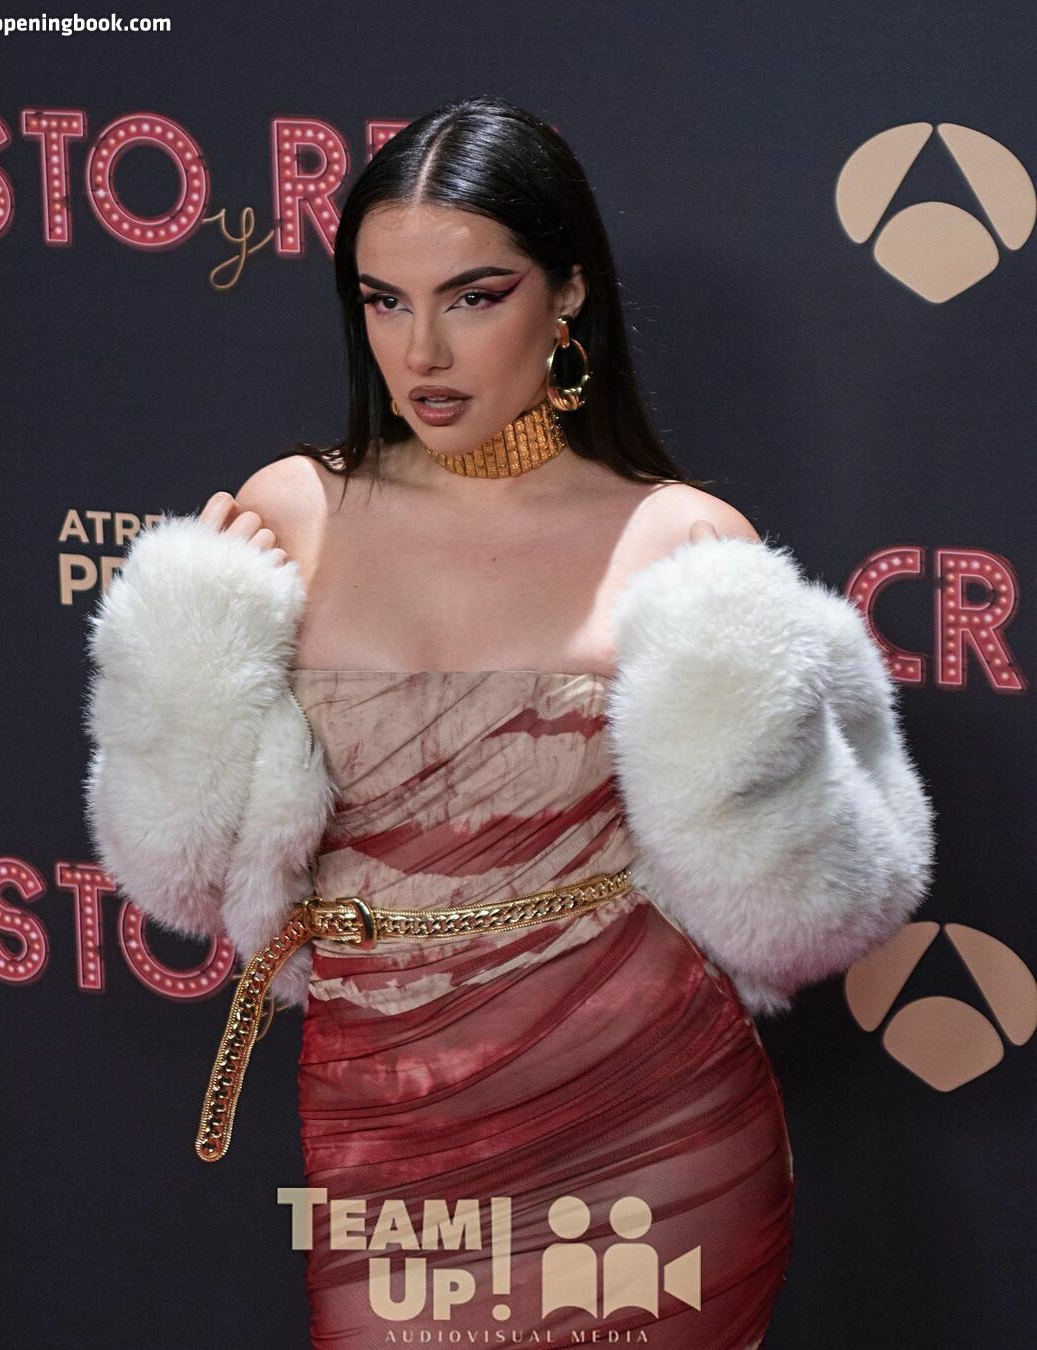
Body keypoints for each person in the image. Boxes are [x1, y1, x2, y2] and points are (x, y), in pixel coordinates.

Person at [82, 97, 936, 1348]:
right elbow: (186, 876)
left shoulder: (678, 540)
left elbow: (813, 912)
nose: (422, 350)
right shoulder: (292, 513)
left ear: (568, 292)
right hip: (384, 1127)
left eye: (474, 297)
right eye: (383, 301)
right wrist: (182, 650)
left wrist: (754, 721)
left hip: (653, 1130)